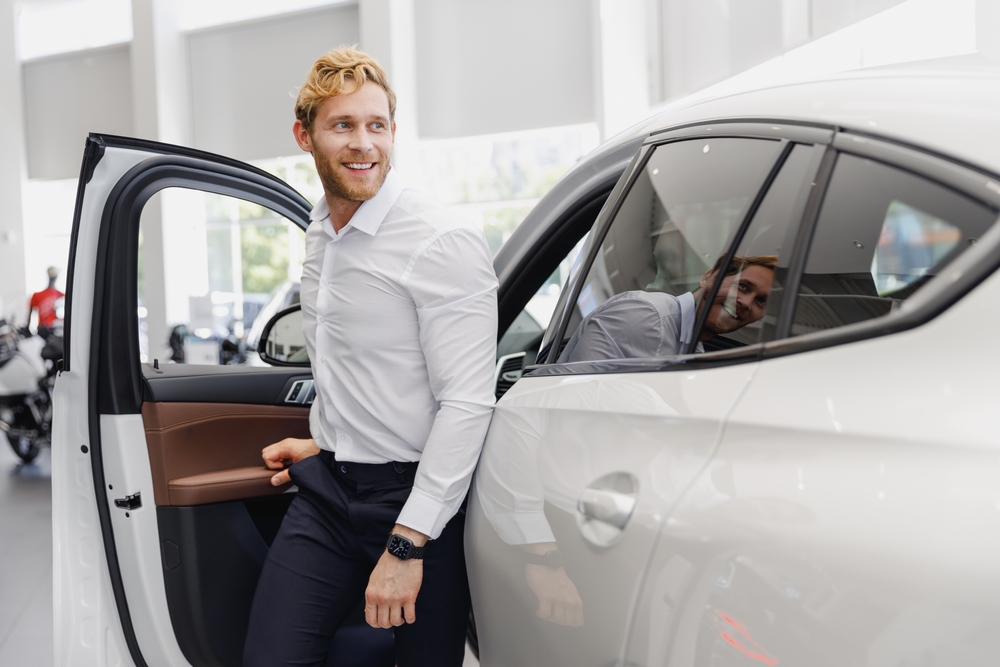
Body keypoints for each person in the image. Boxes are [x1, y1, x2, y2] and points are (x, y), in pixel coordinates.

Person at [242, 46, 498, 667]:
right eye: (343, 126)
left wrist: (408, 545)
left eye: (376, 125)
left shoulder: (439, 241)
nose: (364, 145)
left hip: (418, 502)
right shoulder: (318, 230)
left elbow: (466, 401)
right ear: (305, 136)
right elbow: (351, 369)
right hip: (330, 493)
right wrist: (329, 442)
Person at [560, 255, 776, 363]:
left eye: (761, 302)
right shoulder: (646, 314)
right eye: (743, 286)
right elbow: (573, 397)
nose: (746, 303)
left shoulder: (692, 348)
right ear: (708, 277)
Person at [28, 266, 63, 336]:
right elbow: (30, 314)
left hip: (58, 330)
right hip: (43, 331)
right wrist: (28, 329)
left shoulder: (61, 295)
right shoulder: (37, 295)